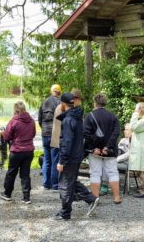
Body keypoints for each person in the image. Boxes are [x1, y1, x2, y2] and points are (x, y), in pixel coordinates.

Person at [52, 92, 99, 220]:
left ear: (63, 104)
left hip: (70, 156)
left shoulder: (68, 120)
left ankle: (65, 213)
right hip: (76, 155)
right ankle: (90, 199)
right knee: (70, 181)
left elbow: (67, 142)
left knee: (65, 184)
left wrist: (62, 161)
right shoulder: (77, 117)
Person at [84, 93, 121, 204]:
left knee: (95, 173)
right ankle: (117, 197)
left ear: (94, 103)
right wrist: (107, 147)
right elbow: (116, 133)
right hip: (110, 151)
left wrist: (94, 147)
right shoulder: (113, 116)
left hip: (95, 151)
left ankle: (95, 199)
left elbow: (86, 134)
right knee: (113, 172)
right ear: (105, 103)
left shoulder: (89, 116)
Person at [0, 101, 36, 204]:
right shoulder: (31, 120)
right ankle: (26, 197)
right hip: (29, 151)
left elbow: (7, 136)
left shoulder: (13, 121)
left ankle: (7, 194)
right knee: (25, 174)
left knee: (11, 173)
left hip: (16, 150)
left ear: (15, 110)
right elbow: (33, 134)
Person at [39, 84, 62, 191]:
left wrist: (44, 129)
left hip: (45, 134)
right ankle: (55, 185)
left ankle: (46, 184)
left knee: (46, 160)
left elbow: (39, 119)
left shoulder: (44, 102)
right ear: (60, 92)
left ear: (51, 91)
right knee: (55, 160)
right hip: (55, 134)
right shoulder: (61, 103)